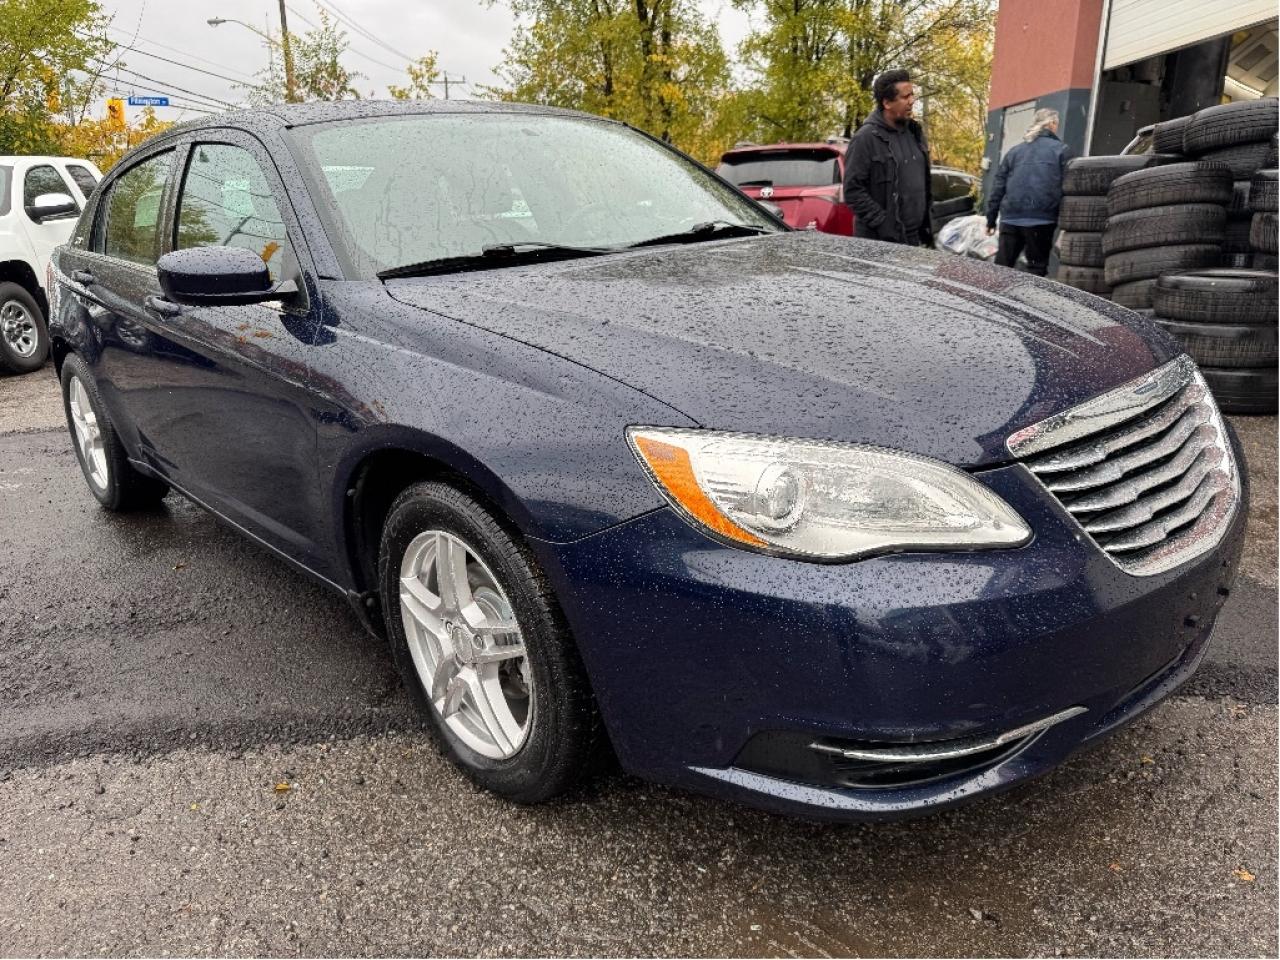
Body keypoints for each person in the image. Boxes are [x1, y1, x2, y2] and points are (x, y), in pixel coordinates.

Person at [842, 68, 933, 247]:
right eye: (905, 97)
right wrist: (884, 224)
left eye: (912, 95)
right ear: (887, 103)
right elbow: (852, 191)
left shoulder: (915, 132)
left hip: (915, 239)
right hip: (879, 243)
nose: (912, 101)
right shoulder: (865, 138)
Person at [984, 108, 1070, 276]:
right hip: (1042, 220)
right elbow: (1070, 187)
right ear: (1052, 124)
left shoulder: (1014, 152)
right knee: (1036, 269)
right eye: (1056, 124)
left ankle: (993, 293)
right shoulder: (1062, 151)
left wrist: (991, 220)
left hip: (1011, 218)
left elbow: (998, 187)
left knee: (1001, 268)